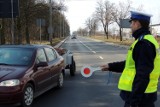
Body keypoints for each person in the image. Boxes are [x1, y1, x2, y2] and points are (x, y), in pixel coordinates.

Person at [101, 11, 160, 107]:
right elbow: (130, 65)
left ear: (137, 23)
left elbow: (142, 75)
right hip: (144, 95)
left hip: (140, 98)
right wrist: (110, 66)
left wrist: (134, 102)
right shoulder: (145, 40)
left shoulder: (143, 44)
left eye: (131, 23)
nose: (131, 26)